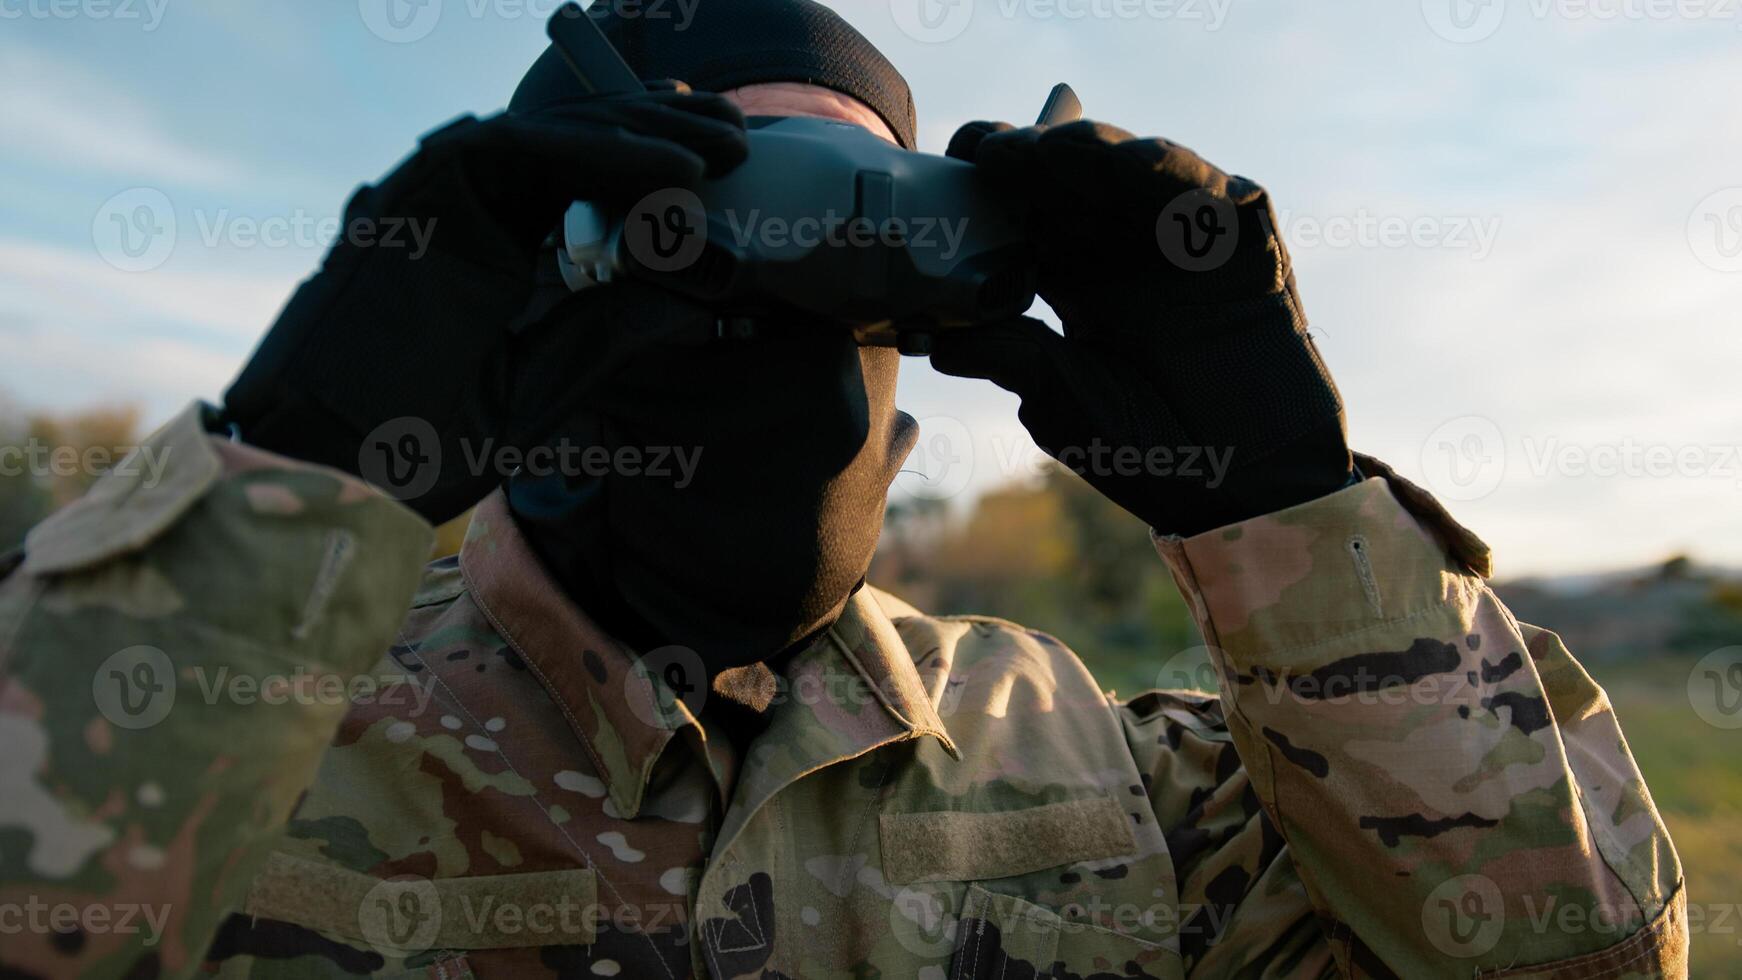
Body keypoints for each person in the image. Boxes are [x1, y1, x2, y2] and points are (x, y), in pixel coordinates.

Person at [0, 1, 1686, 977]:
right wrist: (285, 479)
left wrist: (1283, 506)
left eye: (862, 227)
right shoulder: (237, 726)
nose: (786, 297)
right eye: (704, 206)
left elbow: (1577, 961)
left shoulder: (1112, 774)